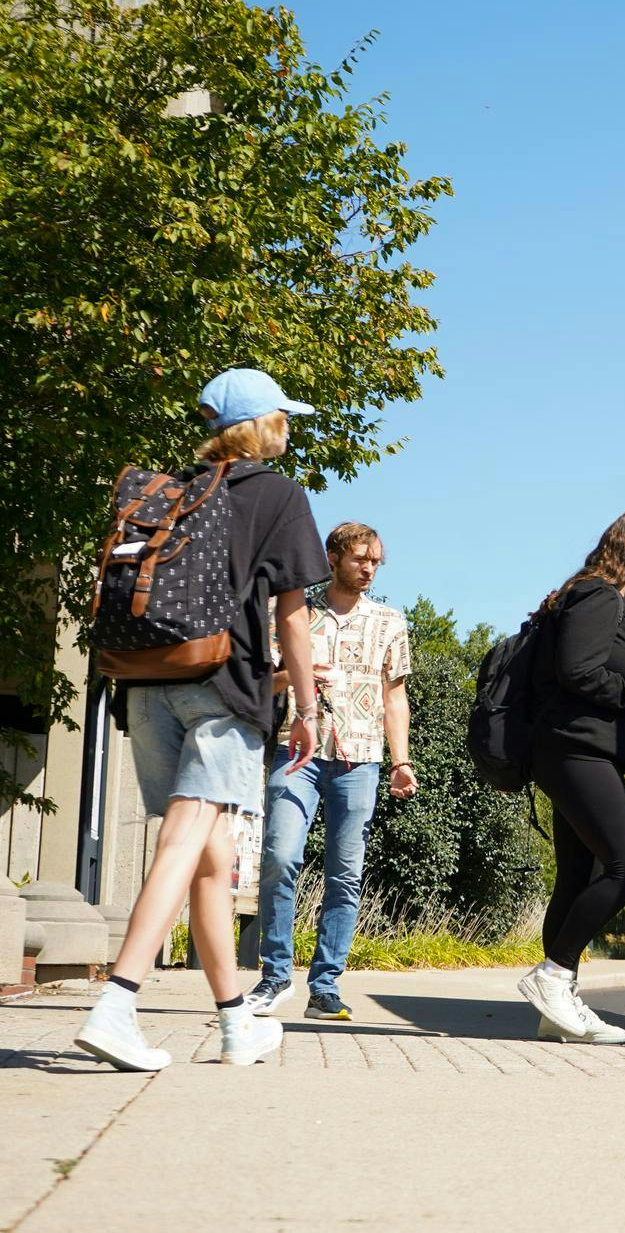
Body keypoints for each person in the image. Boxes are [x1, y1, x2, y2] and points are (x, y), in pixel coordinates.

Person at [74, 368, 327, 1072]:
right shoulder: (279, 494)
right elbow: (292, 618)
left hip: (148, 680)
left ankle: (236, 1022)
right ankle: (117, 1003)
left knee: (209, 859)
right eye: (284, 417)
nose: (289, 428)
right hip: (224, 686)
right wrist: (306, 708)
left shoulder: (176, 491)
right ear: (263, 425)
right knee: (187, 837)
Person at [242, 522, 416, 1022]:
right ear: (333, 557)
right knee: (280, 856)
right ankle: (275, 977)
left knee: (345, 874)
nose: (369, 568)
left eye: (375, 561)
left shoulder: (390, 622)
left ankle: (325, 987)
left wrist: (401, 761)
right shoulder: (291, 612)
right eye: (360, 558)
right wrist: (294, 677)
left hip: (361, 759)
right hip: (295, 752)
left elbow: (395, 698)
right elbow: (260, 684)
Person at [516, 511, 625, 1044]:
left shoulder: (620, 608)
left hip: (588, 752)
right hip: (571, 749)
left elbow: (608, 695)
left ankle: (556, 1007)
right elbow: (578, 673)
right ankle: (553, 975)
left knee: (577, 875)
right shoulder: (596, 597)